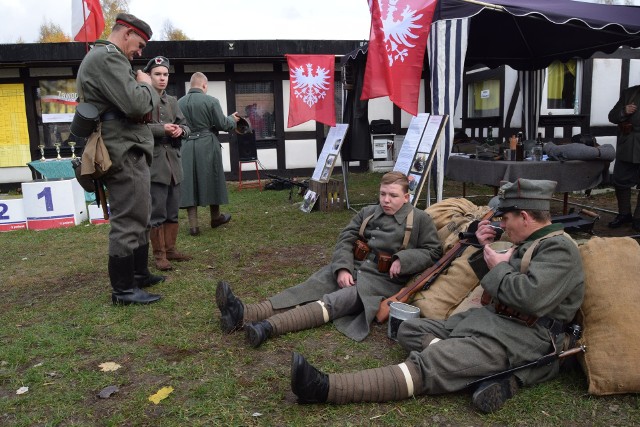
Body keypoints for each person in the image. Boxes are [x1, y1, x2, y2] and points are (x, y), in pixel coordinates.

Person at [289, 178, 584, 414]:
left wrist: (497, 267)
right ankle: (472, 369)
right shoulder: (527, 242)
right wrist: (483, 250)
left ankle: (326, 388)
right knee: (410, 328)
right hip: (493, 323)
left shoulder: (559, 249)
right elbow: (498, 283)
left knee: (432, 362)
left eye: (505, 219)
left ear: (525, 216)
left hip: (526, 338)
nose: (502, 225)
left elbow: (529, 299)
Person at [216, 171, 443, 347]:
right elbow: (346, 238)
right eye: (383, 194)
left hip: (380, 282)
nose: (386, 200)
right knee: (307, 288)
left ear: (406, 196)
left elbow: (433, 251)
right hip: (353, 267)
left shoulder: (420, 219)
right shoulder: (369, 212)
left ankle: (267, 328)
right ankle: (243, 313)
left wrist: (404, 259)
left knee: (332, 302)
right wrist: (342, 268)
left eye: (393, 196)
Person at [76, 13, 163, 305]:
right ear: (126, 33)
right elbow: (137, 104)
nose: (139, 52)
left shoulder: (108, 58)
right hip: (123, 147)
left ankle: (138, 275)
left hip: (126, 145)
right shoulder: (108, 59)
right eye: (138, 45)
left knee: (140, 212)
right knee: (128, 218)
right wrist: (147, 83)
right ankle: (124, 290)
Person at [143, 56, 192, 271]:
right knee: (157, 212)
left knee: (172, 209)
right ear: (149, 76)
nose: (162, 78)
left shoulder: (172, 101)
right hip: (154, 163)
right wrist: (161, 129)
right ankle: (159, 254)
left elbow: (186, 126)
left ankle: (171, 249)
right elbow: (138, 129)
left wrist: (181, 130)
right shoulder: (142, 100)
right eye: (157, 74)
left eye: (165, 74)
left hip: (173, 161)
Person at [178, 72, 240, 236]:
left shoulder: (179, 102)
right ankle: (215, 218)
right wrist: (233, 119)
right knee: (212, 178)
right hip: (207, 144)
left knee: (189, 183)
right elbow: (223, 124)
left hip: (186, 145)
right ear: (204, 85)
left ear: (191, 85)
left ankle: (193, 226)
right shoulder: (211, 101)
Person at [608, 85, 640, 231]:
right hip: (628, 144)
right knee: (620, 180)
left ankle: (639, 218)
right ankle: (624, 214)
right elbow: (612, 116)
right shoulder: (630, 93)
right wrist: (624, 111)